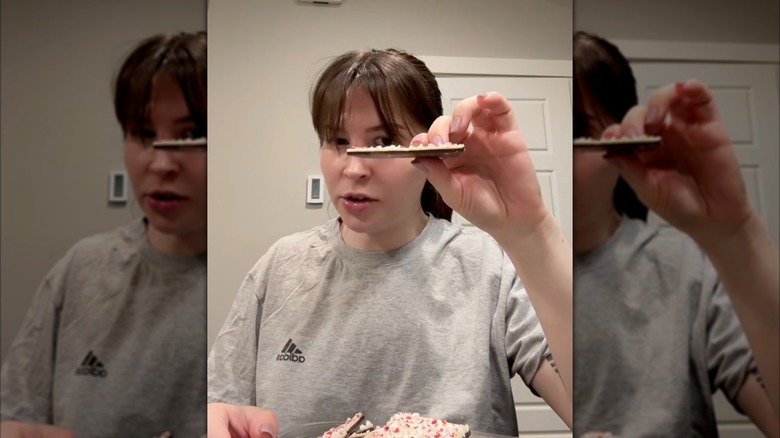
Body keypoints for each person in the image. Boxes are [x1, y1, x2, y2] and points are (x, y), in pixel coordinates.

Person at [207, 48, 573, 437]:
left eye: (382, 141)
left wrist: (533, 232)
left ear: (429, 147)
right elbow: (220, 406)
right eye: (338, 140)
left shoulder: (489, 268)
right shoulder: (280, 267)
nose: (353, 168)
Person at [0, 32, 208, 438]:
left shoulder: (254, 285)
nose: (161, 163)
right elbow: (16, 414)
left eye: (189, 136)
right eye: (143, 134)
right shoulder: (81, 269)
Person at [572, 31, 779, 437]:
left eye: (579, 128)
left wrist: (737, 235)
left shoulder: (685, 266)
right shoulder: (519, 276)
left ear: (622, 144)